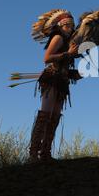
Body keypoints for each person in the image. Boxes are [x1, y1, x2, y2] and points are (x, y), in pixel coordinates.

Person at [29, 9, 82, 162]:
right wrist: (69, 54)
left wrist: (74, 74)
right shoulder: (58, 38)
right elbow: (47, 58)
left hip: (62, 82)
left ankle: (45, 153)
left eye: (72, 26)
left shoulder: (67, 43)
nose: (70, 29)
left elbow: (63, 66)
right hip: (51, 79)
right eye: (67, 26)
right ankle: (34, 154)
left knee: (54, 117)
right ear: (60, 26)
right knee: (45, 115)